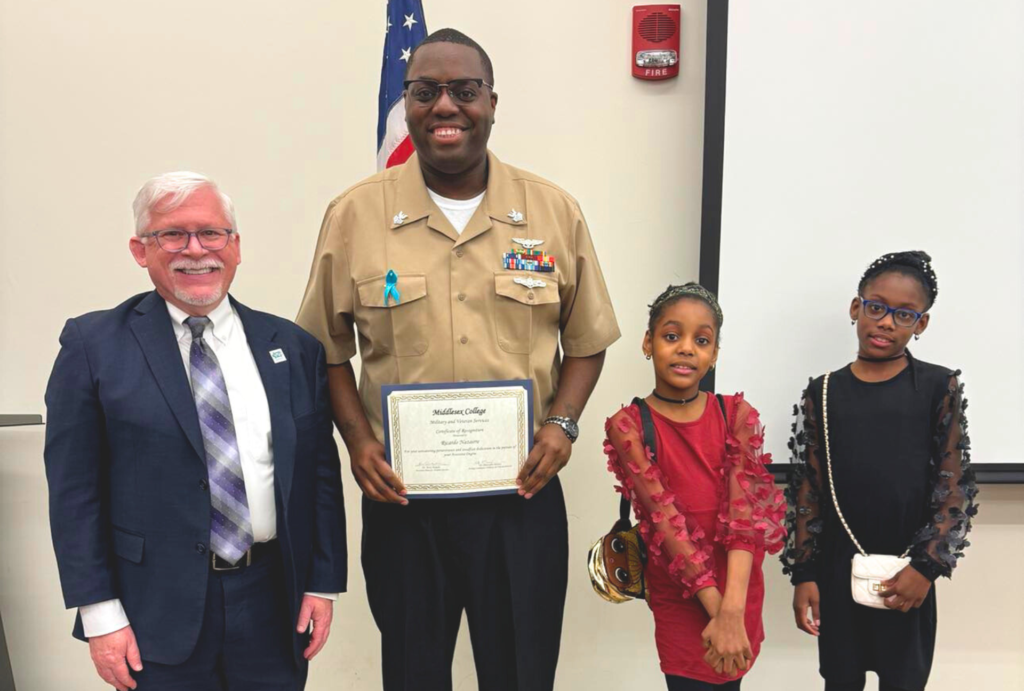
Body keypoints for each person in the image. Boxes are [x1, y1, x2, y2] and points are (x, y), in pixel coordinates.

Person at [296, 28, 619, 691]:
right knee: (413, 674)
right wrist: (358, 442)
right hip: (404, 500)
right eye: (426, 91)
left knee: (521, 672)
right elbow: (323, 349)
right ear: (407, 105)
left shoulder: (552, 211)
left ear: (492, 102)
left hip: (521, 495)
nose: (445, 106)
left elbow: (587, 339)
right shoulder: (355, 214)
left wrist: (562, 425)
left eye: (464, 90)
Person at [43, 172, 348, 691]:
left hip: (273, 602)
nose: (195, 250)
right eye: (172, 235)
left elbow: (319, 476)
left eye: (211, 233)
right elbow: (75, 494)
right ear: (140, 250)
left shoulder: (293, 347)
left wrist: (322, 583)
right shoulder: (93, 347)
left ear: (236, 246)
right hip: (153, 607)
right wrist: (99, 613)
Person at [781, 251, 978, 691]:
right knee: (840, 680)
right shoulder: (824, 391)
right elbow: (810, 489)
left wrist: (925, 568)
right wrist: (805, 573)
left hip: (909, 573)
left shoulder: (937, 386)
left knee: (903, 681)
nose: (886, 322)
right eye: (876, 307)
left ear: (920, 324)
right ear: (857, 308)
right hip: (837, 572)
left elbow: (954, 488)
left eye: (904, 314)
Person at [602, 283, 787, 690]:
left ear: (714, 353)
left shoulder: (736, 414)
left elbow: (744, 519)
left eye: (701, 341)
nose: (686, 348)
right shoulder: (628, 425)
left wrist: (732, 613)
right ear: (648, 343)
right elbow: (665, 522)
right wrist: (718, 612)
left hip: (738, 588)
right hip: (682, 595)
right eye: (672, 336)